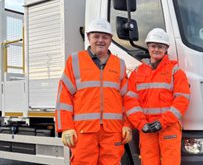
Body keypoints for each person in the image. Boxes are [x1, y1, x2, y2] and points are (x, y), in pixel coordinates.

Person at [55, 18, 132, 164]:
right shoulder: (75, 60)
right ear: (88, 37)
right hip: (84, 132)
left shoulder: (119, 64)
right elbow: (63, 97)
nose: (100, 40)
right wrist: (66, 127)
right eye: (96, 36)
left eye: (105, 37)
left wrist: (127, 125)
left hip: (113, 132)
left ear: (110, 40)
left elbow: (127, 99)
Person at [125, 28, 190, 165]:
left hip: (168, 127)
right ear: (148, 47)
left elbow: (181, 101)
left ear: (166, 49)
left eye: (160, 46)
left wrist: (163, 122)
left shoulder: (175, 72)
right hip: (146, 128)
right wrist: (141, 124)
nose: (156, 49)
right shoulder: (137, 73)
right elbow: (131, 102)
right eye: (153, 46)